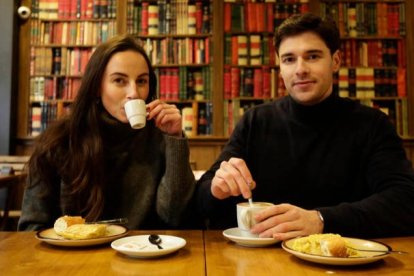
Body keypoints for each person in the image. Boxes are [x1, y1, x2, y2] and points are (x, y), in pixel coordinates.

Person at [196, 13, 414, 240]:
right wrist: (216, 189)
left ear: (336, 61)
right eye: (289, 59)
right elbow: (202, 201)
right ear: (280, 67)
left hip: (344, 264)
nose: (300, 69)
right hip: (263, 264)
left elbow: (405, 201)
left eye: (312, 56)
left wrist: (321, 220)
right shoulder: (255, 121)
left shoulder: (373, 125)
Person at [18, 34, 195, 231]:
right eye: (119, 80)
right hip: (74, 257)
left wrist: (175, 138)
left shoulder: (159, 136)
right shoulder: (59, 141)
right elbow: (31, 227)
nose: (134, 93)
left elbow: (174, 215)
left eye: (142, 81)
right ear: (96, 87)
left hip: (143, 255)